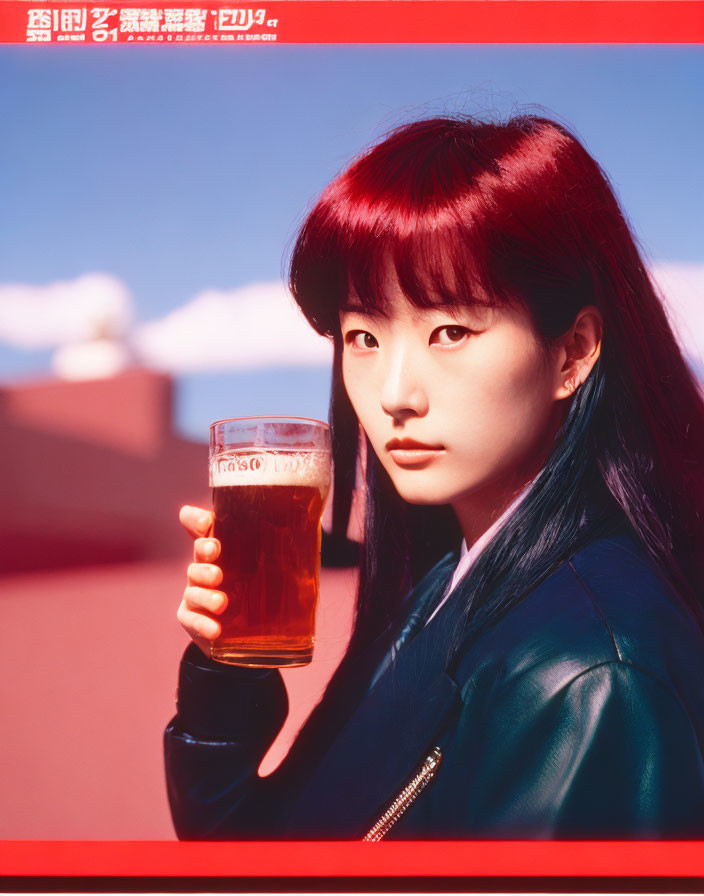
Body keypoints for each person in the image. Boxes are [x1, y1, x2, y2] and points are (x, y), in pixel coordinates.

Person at [164, 114, 704, 840]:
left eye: (450, 330)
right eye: (363, 335)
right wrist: (228, 667)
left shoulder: (593, 678)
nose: (393, 393)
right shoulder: (438, 587)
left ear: (573, 352)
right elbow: (252, 855)